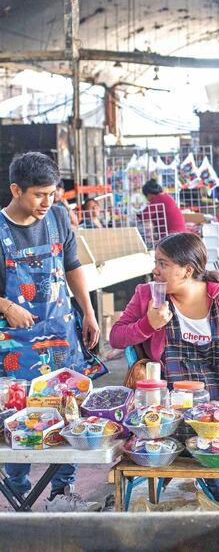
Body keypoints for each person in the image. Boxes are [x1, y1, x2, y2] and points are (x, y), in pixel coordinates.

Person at [110, 232, 219, 505]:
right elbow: (116, 338)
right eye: (156, 262)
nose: (155, 270)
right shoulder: (147, 296)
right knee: (202, 443)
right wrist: (149, 324)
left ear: (188, 270)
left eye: (163, 264)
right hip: (170, 406)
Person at [0, 153, 101, 512]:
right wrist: (6, 305)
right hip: (15, 344)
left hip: (62, 333)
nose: (48, 202)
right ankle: (18, 491)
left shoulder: (58, 216)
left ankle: (63, 490)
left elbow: (71, 265)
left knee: (70, 409)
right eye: (39, 195)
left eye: (53, 193)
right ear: (16, 189)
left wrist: (89, 312)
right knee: (18, 416)